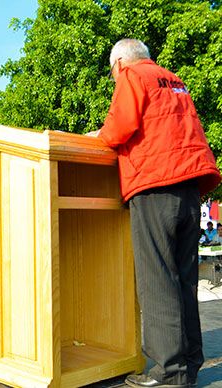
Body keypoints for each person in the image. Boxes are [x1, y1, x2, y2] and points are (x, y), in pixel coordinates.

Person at [93, 39, 221, 387]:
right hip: (189, 187)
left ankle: (168, 375)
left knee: (157, 281)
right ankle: (190, 363)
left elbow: (119, 128)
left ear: (119, 63)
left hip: (154, 185)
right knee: (183, 280)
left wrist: (98, 135)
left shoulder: (132, 76)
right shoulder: (174, 80)